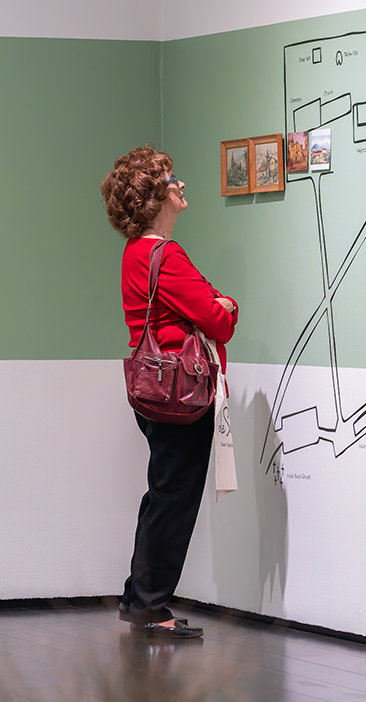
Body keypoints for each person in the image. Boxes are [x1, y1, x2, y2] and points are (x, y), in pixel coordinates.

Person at [102, 146, 238, 640]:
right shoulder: (166, 255)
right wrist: (225, 302)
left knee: (161, 495)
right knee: (174, 500)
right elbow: (219, 317)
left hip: (155, 389)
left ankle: (140, 597)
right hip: (182, 395)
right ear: (156, 195)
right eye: (172, 179)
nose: (181, 185)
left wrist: (214, 301)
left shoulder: (136, 253)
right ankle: (153, 606)